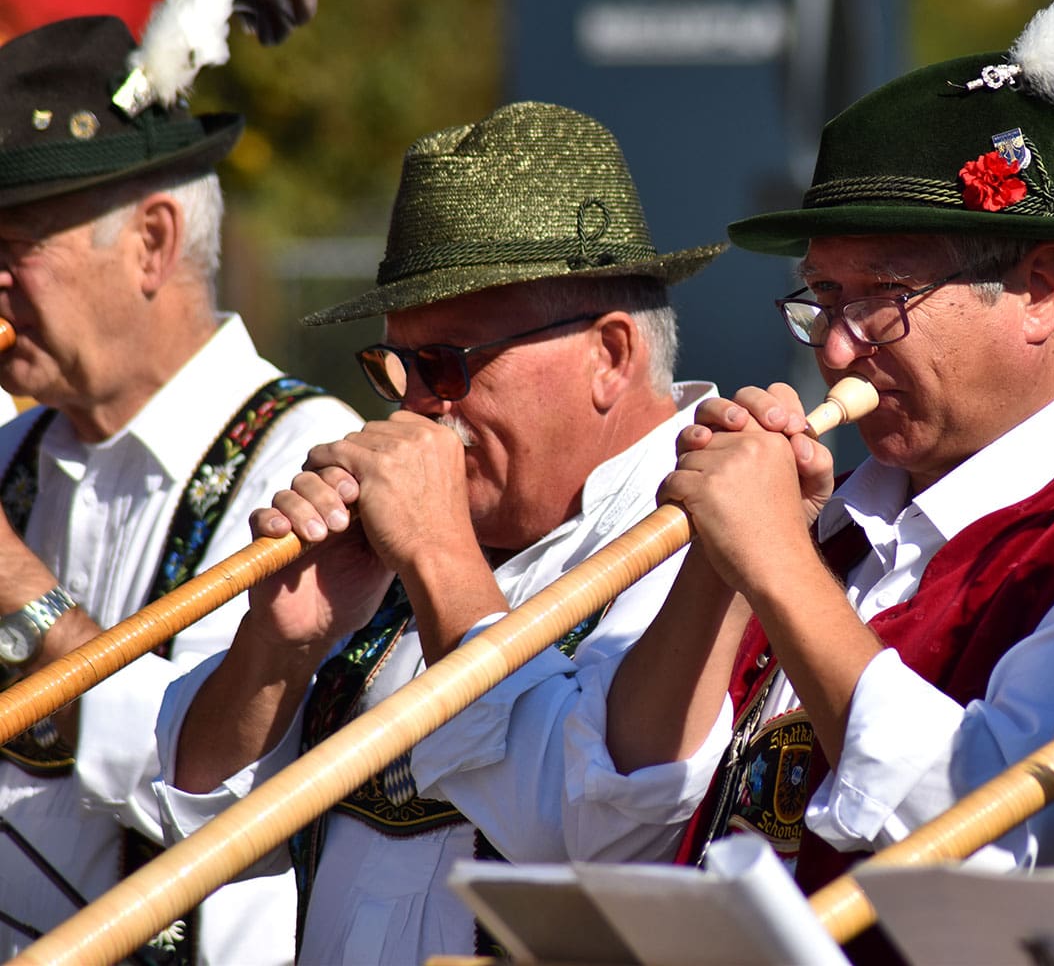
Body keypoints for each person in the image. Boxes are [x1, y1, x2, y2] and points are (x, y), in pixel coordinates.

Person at [558, 0, 1054, 932]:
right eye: (822, 299)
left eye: (883, 297)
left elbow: (979, 838)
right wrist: (716, 570)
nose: (838, 350)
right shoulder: (842, 521)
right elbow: (608, 830)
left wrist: (772, 560)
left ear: (1040, 292)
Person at [153, 101, 726, 964]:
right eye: (396, 365)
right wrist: (280, 646)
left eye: (447, 363)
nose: (419, 405)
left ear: (609, 355)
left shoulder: (700, 534)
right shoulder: (432, 522)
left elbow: (587, 827)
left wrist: (435, 556)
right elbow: (200, 811)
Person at [0, 14, 360, 965]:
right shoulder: (13, 446)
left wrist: (18, 590)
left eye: (15, 247)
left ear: (153, 242)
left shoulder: (310, 456)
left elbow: (208, 783)